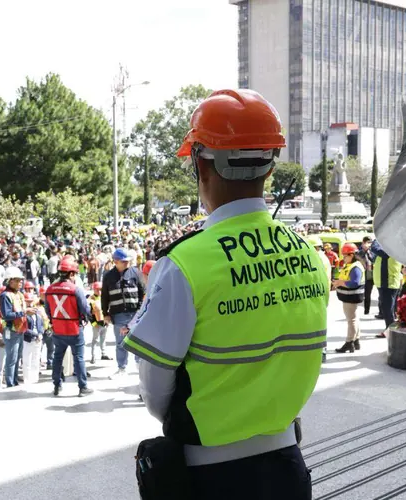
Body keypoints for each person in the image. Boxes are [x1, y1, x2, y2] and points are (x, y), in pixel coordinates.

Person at [123, 89, 326, 499]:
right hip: (288, 470)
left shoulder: (183, 264)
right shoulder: (310, 255)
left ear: (200, 164)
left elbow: (155, 392)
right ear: (270, 167)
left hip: (210, 477)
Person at [45, 255, 93, 397]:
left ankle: (56, 385)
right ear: (71, 273)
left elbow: (48, 310)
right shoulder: (75, 289)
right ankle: (82, 387)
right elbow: (85, 309)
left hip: (58, 329)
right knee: (78, 358)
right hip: (74, 328)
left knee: (57, 357)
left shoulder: (50, 289)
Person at [101, 248, 145, 379]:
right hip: (118, 314)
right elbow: (104, 296)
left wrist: (140, 310)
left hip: (135, 314)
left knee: (137, 341)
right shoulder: (108, 276)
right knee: (121, 343)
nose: (127, 263)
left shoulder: (135, 273)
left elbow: (142, 292)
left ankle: (139, 366)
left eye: (127, 261)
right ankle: (122, 368)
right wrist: (105, 313)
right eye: (124, 261)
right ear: (116, 261)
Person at [0, 267, 29, 388]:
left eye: (21, 280)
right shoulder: (5, 296)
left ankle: (15, 381)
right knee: (11, 358)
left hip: (20, 330)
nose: (20, 282)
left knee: (17, 358)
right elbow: (7, 315)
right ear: (10, 281)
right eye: (17, 280)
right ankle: (10, 383)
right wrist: (24, 312)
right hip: (11, 330)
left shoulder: (19, 294)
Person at [333, 243, 365, 353]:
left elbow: (354, 283)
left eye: (345, 255)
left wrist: (340, 282)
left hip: (351, 297)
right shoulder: (351, 265)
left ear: (351, 255)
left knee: (352, 320)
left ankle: (349, 342)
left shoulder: (355, 267)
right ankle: (356, 341)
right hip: (349, 297)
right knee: (354, 319)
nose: (343, 258)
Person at [372, 240, 403, 338]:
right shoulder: (388, 248)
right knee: (387, 309)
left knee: (388, 310)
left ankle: (391, 332)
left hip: (389, 284)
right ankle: (390, 330)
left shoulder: (392, 249)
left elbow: (375, 249)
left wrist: (376, 240)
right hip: (385, 283)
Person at [88, 282, 109, 364]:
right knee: (95, 340)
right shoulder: (90, 299)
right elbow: (89, 314)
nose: (99, 291)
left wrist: (108, 321)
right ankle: (93, 356)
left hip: (104, 322)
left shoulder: (104, 298)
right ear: (94, 289)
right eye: (97, 289)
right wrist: (94, 324)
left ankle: (104, 354)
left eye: (100, 289)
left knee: (103, 339)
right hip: (96, 324)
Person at [357, 237, 375, 315]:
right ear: (362, 243)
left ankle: (368, 311)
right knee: (363, 294)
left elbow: (373, 260)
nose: (367, 244)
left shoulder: (373, 252)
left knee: (369, 294)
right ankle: (363, 310)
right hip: (363, 276)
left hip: (372, 275)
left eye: (369, 242)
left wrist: (369, 252)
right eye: (365, 243)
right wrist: (364, 251)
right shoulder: (358, 253)